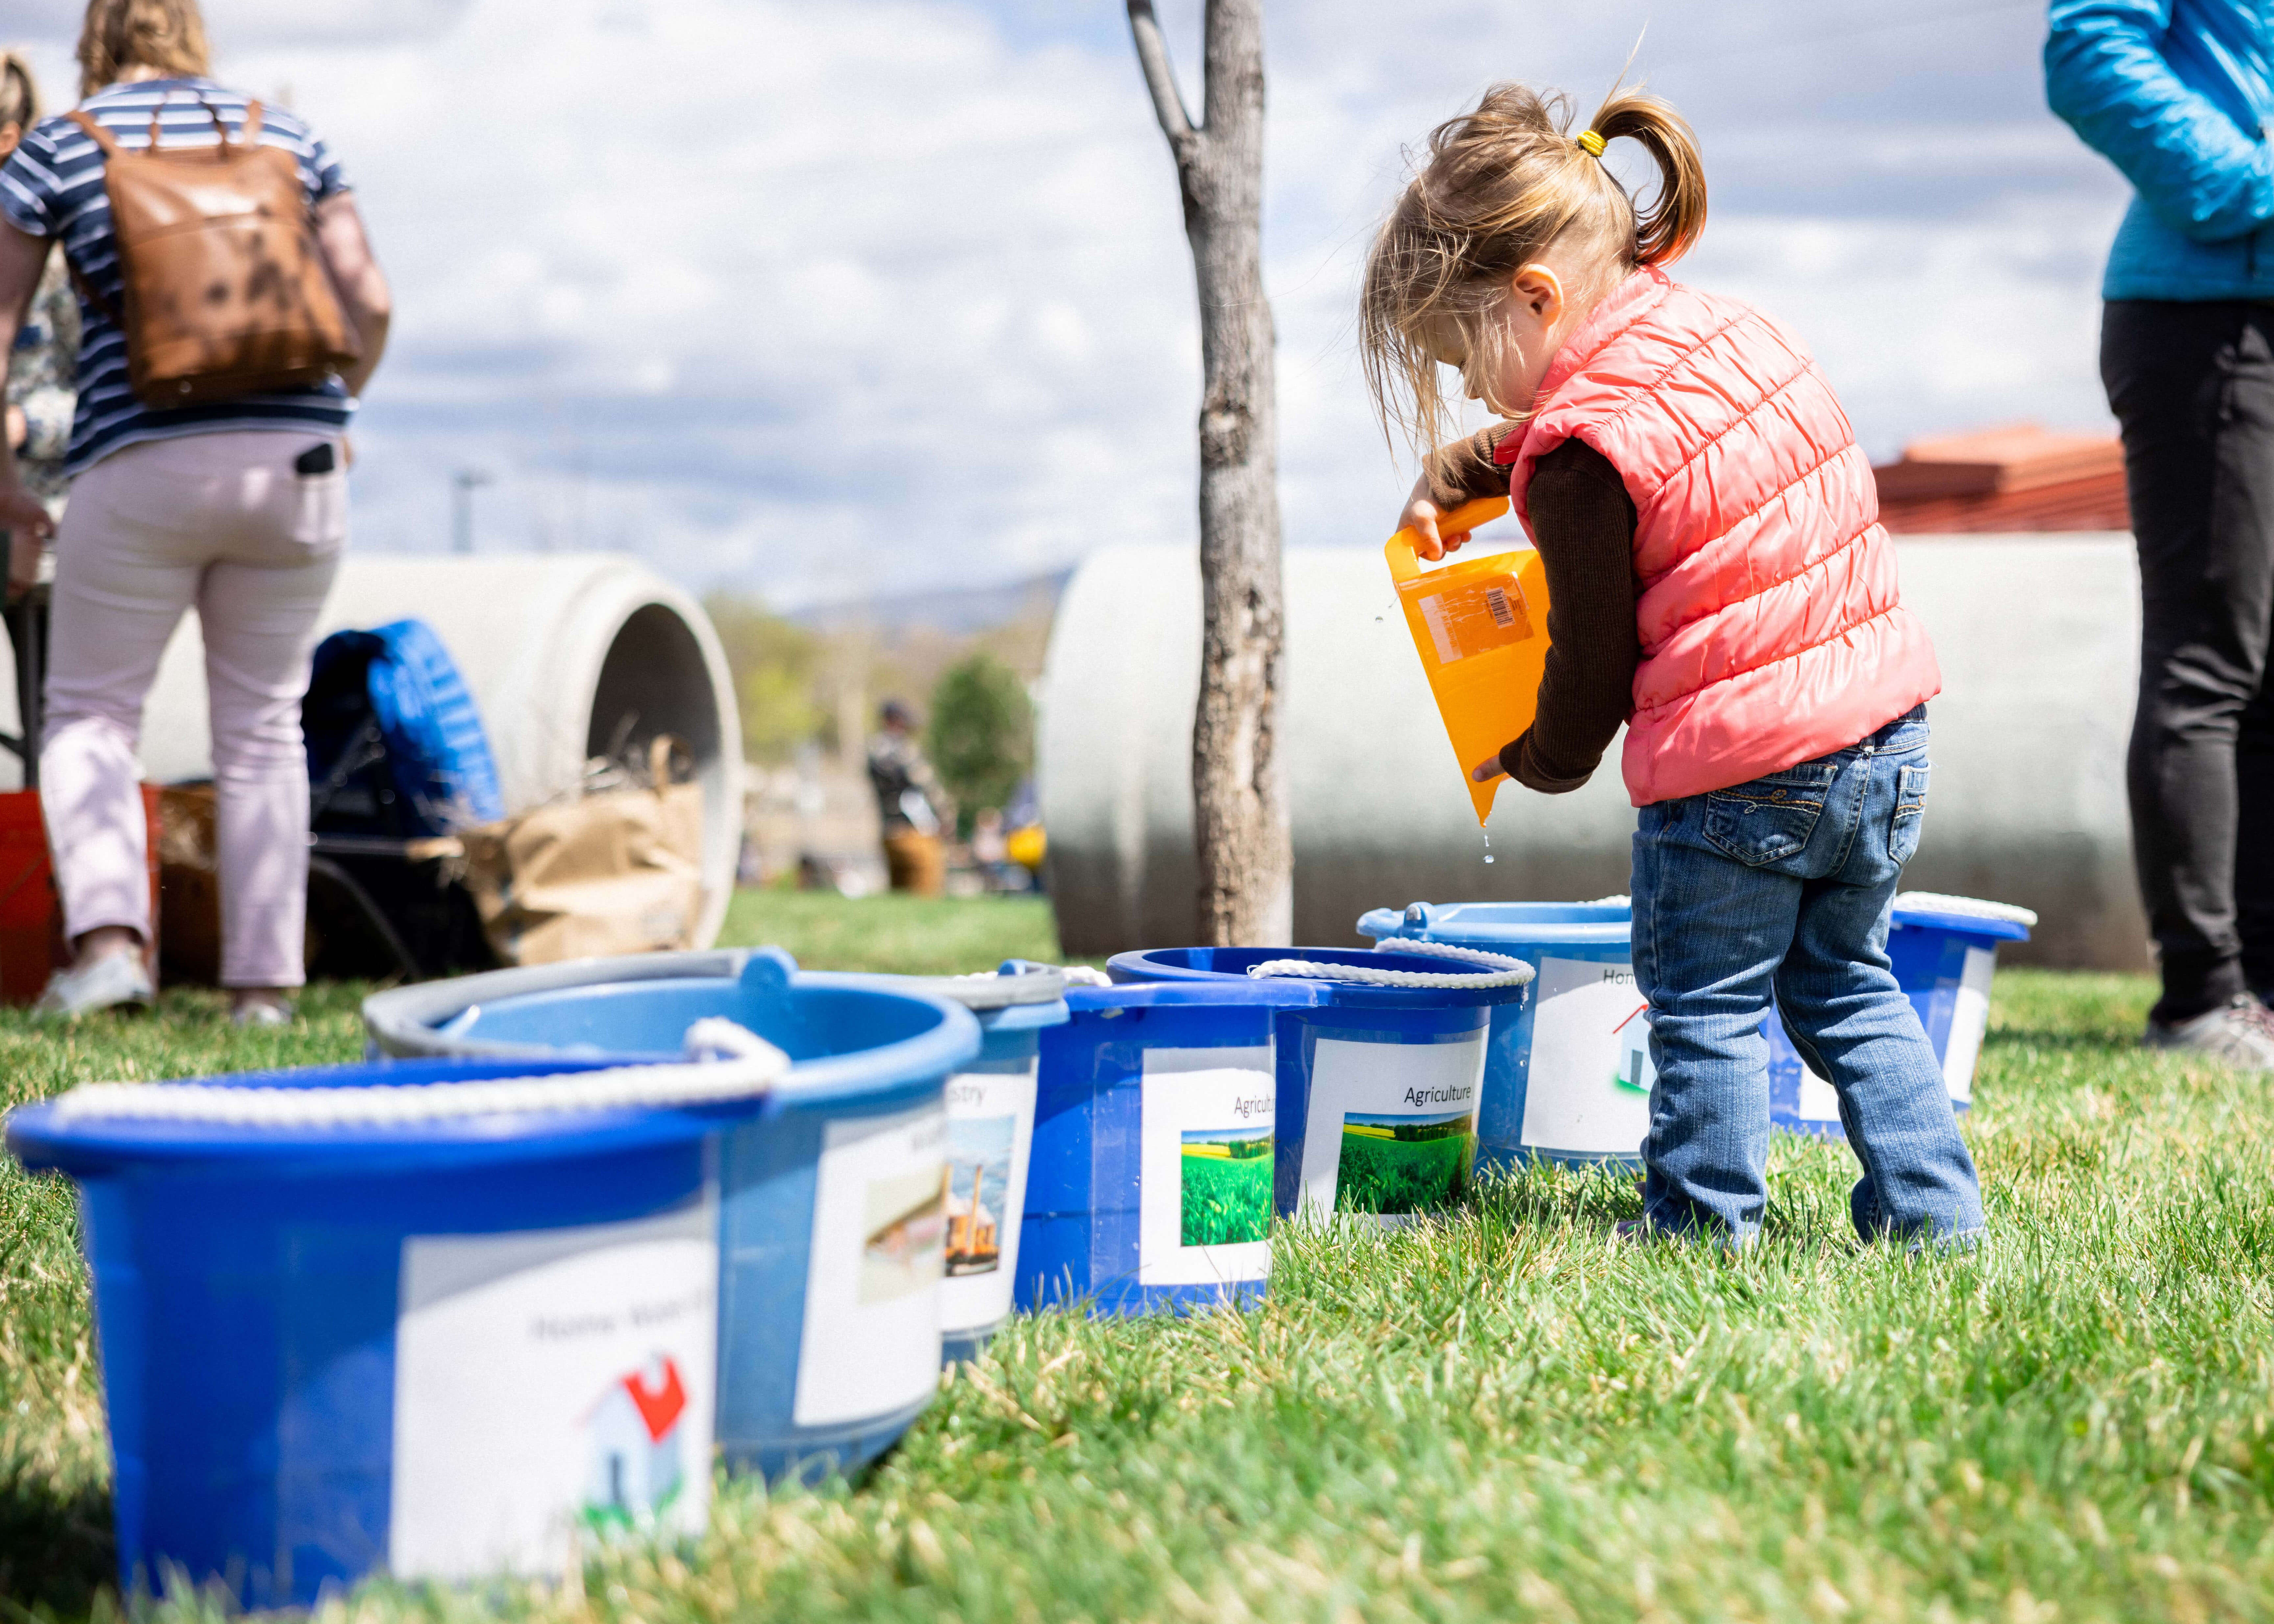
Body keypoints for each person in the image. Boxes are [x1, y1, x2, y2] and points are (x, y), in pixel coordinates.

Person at [1361, 83, 1982, 1249]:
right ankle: (1935, 1223)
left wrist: (1537, 760)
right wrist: (1471, 466)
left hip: (1738, 776)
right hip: (1884, 737)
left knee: (1707, 1009)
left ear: (1533, 298)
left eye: (1457, 357)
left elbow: (1589, 657)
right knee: (1847, 986)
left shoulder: (1578, 461)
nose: (1460, 388)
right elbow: (1644, 419)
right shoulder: (1730, 331)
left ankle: (1700, 1232)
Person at [0, 0, 392, 1023]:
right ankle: (261, 988)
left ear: (97, 42)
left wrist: (7, 487)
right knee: (264, 728)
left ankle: (112, 946)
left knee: (90, 713)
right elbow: (373, 300)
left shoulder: (58, 149)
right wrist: (341, 402)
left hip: (141, 462)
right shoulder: (289, 135)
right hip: (296, 464)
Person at [2045, 3, 2274, 1069]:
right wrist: (2245, 186)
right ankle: (2199, 998)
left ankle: (2258, 990)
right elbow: (2087, 52)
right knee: (2208, 659)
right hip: (2208, 317)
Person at [1, 52, 77, 573]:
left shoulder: (59, 260)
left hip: (45, 531)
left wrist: (24, 425)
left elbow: (107, 396)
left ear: (7, 139)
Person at [867, 699, 950, 896]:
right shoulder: (906, 751)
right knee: (927, 896)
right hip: (917, 834)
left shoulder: (872, 751)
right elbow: (930, 788)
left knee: (900, 898)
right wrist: (946, 816)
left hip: (889, 833)